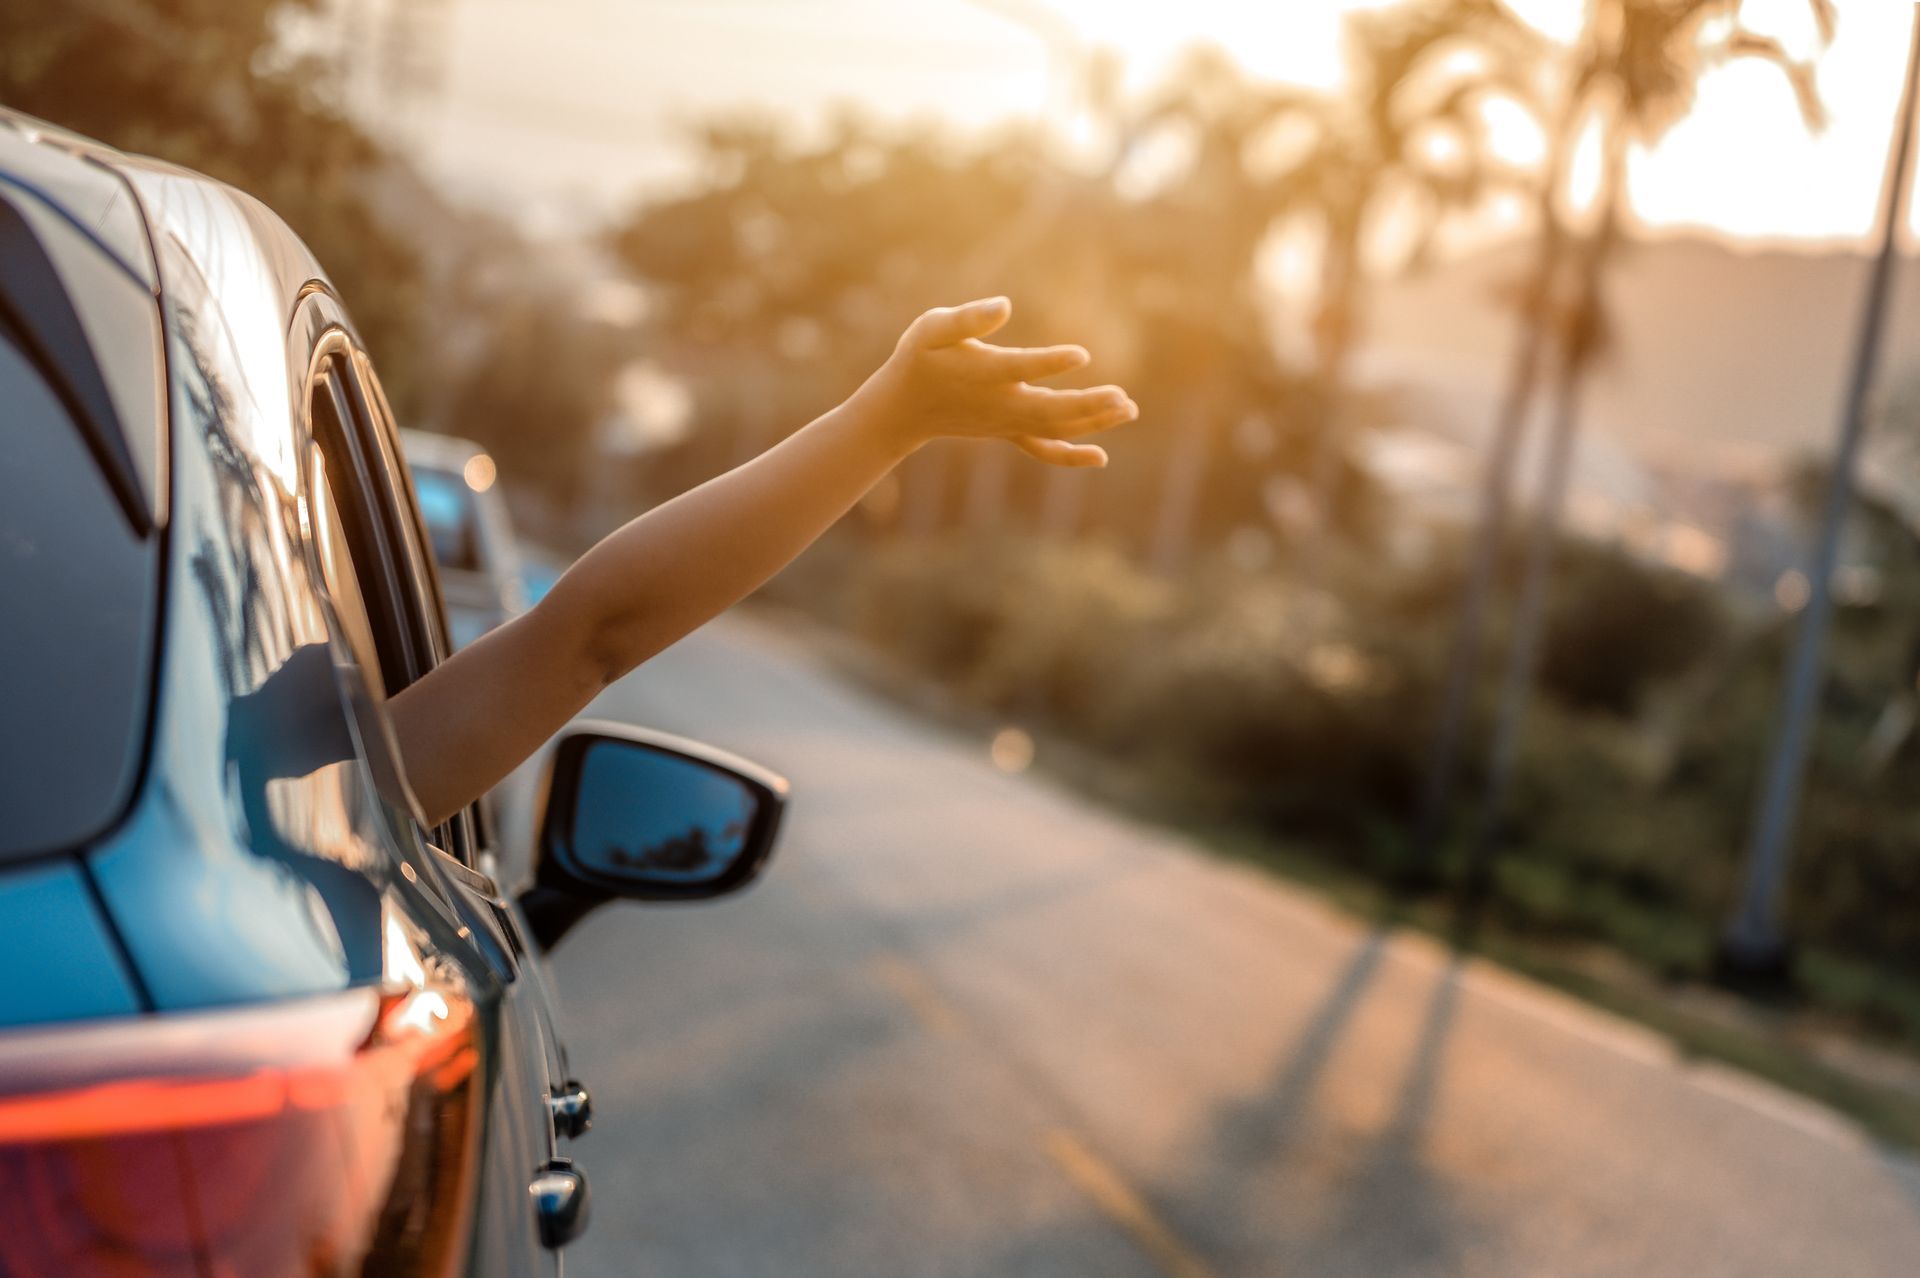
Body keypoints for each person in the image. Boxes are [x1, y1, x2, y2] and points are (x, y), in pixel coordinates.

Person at [388, 296, 1138, 824]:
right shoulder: (333, 795)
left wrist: (892, 422)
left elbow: (591, 633)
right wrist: (889, 423)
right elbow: (587, 636)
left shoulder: (308, 780)